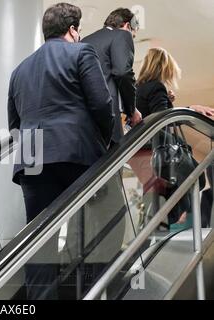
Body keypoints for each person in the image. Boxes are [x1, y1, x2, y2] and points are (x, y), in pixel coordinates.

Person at [8, 2, 114, 299]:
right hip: (76, 153)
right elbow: (101, 103)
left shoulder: (20, 69)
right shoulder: (82, 52)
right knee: (89, 232)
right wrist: (103, 143)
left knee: (39, 243)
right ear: (72, 30)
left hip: (32, 158)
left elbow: (14, 123)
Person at [136, 47, 213, 228]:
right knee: (188, 183)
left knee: (160, 196)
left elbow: (151, 114)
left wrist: (168, 100)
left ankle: (158, 234)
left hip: (146, 152)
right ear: (164, 67)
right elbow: (162, 118)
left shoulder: (138, 89)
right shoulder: (157, 87)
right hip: (161, 151)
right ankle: (170, 231)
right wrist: (191, 108)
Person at [83, 8, 142, 145]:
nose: (131, 38)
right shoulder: (121, 35)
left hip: (82, 122)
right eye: (133, 35)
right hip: (106, 119)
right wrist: (131, 110)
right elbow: (122, 72)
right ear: (127, 26)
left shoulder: (84, 41)